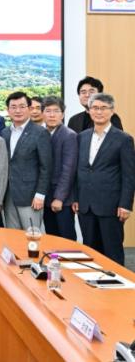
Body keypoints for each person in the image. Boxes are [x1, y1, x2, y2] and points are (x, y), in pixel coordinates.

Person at [73, 93, 135, 265]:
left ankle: (117, 282)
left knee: (112, 251)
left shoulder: (123, 139)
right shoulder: (82, 137)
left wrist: (125, 204)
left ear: (112, 111)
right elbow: (79, 170)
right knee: (90, 251)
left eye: (103, 108)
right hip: (85, 205)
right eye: (94, 108)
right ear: (89, 111)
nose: (98, 112)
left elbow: (129, 175)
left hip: (111, 205)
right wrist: (76, 197)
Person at [2, 92, 52, 230]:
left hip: (30, 196)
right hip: (8, 195)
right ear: (8, 110)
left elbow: (46, 167)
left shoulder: (40, 133)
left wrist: (40, 194)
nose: (17, 110)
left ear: (29, 109)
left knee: (32, 235)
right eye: (13, 107)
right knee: (12, 236)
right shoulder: (5, 133)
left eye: (22, 106)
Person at [42, 96, 78, 240]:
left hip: (63, 199)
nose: (52, 115)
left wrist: (59, 198)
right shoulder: (41, 133)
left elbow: (68, 170)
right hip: (46, 197)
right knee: (51, 238)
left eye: (56, 111)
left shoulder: (69, 135)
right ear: (43, 113)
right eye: (48, 111)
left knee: (66, 239)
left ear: (62, 114)